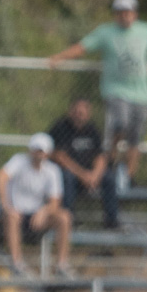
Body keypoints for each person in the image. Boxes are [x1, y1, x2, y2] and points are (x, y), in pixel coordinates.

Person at [47, 0, 147, 191]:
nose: (124, 16)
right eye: (120, 12)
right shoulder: (106, 33)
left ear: (134, 14)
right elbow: (83, 47)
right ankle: (109, 162)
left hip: (142, 94)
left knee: (135, 137)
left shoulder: (146, 31)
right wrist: (59, 57)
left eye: (128, 12)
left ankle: (129, 176)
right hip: (117, 91)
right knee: (120, 124)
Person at [0, 133, 73, 278]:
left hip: (36, 218)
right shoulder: (19, 161)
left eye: (41, 150)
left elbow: (55, 202)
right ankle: (16, 263)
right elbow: (1, 177)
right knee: (12, 216)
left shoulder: (52, 171)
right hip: (15, 214)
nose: (38, 154)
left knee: (64, 217)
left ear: (48, 153)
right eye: (36, 150)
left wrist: (43, 211)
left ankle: (62, 265)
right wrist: (5, 204)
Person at [47, 97, 119, 228]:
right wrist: (82, 175)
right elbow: (60, 157)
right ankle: (69, 220)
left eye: (83, 111)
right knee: (66, 177)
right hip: (71, 173)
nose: (80, 114)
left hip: (89, 175)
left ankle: (111, 222)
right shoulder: (60, 127)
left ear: (88, 113)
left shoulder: (92, 129)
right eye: (77, 111)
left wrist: (95, 175)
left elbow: (101, 156)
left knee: (109, 177)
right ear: (70, 111)